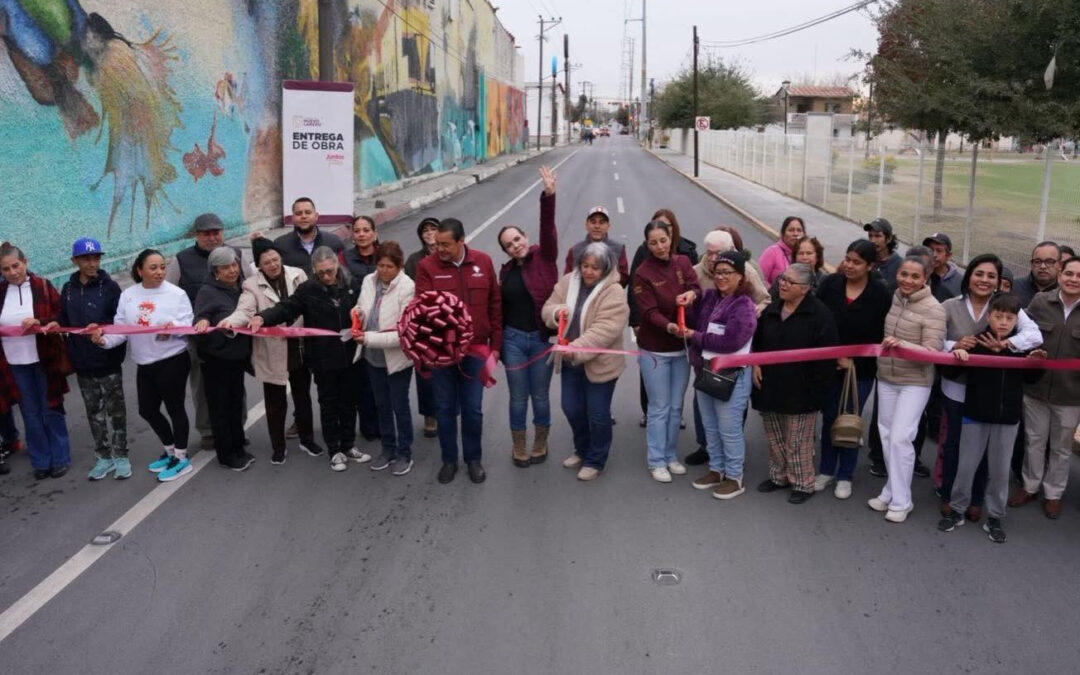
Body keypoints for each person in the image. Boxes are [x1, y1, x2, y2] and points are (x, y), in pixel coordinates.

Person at [937, 254, 1042, 519]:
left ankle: (976, 499)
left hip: (990, 393)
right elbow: (935, 342)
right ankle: (950, 495)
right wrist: (956, 347)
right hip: (956, 385)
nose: (984, 280)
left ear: (998, 282)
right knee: (955, 446)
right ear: (968, 275)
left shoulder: (1006, 307)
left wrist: (1007, 345)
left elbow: (1033, 336)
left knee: (986, 454)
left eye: (991, 276)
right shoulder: (950, 305)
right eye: (979, 273)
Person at [251, 247, 371, 472]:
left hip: (350, 356)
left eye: (330, 271)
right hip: (323, 359)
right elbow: (286, 309)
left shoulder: (352, 284)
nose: (326, 276)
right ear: (314, 270)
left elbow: (366, 308)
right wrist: (263, 317)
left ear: (337, 265)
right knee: (328, 404)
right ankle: (334, 450)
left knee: (349, 403)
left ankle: (349, 445)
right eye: (321, 272)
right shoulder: (307, 290)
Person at [92, 249, 193, 482]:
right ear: (139, 270)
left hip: (172, 360)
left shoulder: (176, 294)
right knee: (147, 410)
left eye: (162, 267)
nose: (159, 272)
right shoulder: (128, 295)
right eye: (153, 267)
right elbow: (121, 329)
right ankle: (169, 451)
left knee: (175, 408)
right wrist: (104, 340)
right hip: (144, 362)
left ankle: (181, 457)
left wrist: (174, 327)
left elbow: (189, 327)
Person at [415, 218, 502, 485]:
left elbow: (494, 305)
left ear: (462, 240)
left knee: (473, 410)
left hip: (476, 353)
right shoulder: (426, 267)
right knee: (444, 409)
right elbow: (422, 311)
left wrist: (495, 347)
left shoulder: (483, 262)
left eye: (445, 244)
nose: (439, 249)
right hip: (442, 355)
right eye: (437, 243)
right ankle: (449, 460)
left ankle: (473, 459)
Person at [221, 238, 318, 465]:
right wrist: (229, 323)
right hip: (272, 350)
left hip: (300, 347)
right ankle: (278, 447)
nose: (273, 264)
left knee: (303, 397)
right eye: (267, 262)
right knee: (274, 403)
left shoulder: (298, 275)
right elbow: (244, 311)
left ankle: (307, 439)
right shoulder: (251, 285)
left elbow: (311, 303)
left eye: (275, 259)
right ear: (259, 266)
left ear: (281, 258)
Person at [752, 263, 838, 504]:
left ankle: (802, 482)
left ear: (805, 289)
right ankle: (778, 476)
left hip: (803, 388)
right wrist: (756, 364)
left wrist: (817, 388)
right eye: (782, 278)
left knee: (797, 439)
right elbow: (758, 342)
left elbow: (827, 358)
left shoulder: (820, 314)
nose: (783, 284)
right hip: (769, 383)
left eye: (790, 282)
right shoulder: (772, 308)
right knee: (774, 434)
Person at [868, 255, 946, 523]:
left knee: (902, 438)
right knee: (888, 437)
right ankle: (891, 490)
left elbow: (932, 352)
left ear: (925, 279)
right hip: (887, 376)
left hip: (915, 382)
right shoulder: (896, 297)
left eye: (915, 276)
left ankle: (903, 501)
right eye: (904, 274)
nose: (908, 280)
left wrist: (901, 345)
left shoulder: (934, 309)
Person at [542, 242, 629, 480]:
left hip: (600, 365)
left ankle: (595, 460)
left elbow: (605, 330)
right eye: (585, 265)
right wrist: (556, 312)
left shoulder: (615, 292)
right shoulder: (568, 281)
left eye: (596, 267)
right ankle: (581, 450)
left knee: (598, 414)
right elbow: (547, 307)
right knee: (571, 408)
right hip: (570, 362)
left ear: (606, 268)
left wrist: (575, 348)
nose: (589, 271)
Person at [813, 240, 891, 499]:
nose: (849, 265)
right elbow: (817, 319)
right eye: (847, 259)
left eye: (857, 262)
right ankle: (826, 470)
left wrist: (854, 361)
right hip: (828, 366)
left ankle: (845, 475)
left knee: (850, 422)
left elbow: (882, 336)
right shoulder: (830, 284)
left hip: (862, 370)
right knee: (829, 418)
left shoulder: (880, 294)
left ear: (870, 266)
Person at [48, 238, 127, 481]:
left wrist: (102, 328)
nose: (92, 263)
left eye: (96, 258)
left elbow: (121, 320)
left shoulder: (110, 287)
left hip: (107, 359)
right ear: (75, 261)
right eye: (86, 258)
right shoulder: (68, 288)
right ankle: (103, 457)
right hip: (82, 363)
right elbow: (64, 316)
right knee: (94, 412)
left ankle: (122, 455)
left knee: (116, 412)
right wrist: (55, 323)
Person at [165, 212, 245, 451]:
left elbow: (250, 286)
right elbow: (168, 295)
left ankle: (237, 426)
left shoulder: (236, 255)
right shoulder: (181, 260)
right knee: (202, 386)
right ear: (196, 235)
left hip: (233, 336)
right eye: (206, 233)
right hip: (200, 338)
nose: (212, 237)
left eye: (216, 232)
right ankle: (208, 431)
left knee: (235, 386)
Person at [1009, 257, 1080, 519]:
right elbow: (1021, 331)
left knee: (1061, 448)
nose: (1073, 279)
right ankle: (1030, 486)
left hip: (1071, 394)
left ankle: (1054, 494)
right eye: (1069, 273)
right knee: (1034, 441)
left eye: (1079, 275)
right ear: (1060, 275)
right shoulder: (1040, 302)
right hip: (1036, 388)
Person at [497, 166, 559, 467]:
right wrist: (496, 345)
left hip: (540, 338)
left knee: (541, 396)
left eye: (517, 239)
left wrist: (549, 196)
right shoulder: (506, 271)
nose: (515, 245)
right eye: (509, 245)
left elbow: (548, 229)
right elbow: (499, 309)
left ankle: (541, 440)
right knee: (517, 397)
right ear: (506, 251)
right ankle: (518, 445)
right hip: (512, 341)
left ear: (525, 237)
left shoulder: (545, 257)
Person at [631, 219, 701, 483]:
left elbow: (695, 286)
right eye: (653, 242)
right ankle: (656, 460)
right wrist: (671, 327)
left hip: (681, 349)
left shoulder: (683, 262)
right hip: (655, 351)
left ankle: (671, 456)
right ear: (646, 245)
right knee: (658, 407)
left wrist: (691, 296)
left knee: (675, 406)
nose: (660, 246)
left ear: (671, 238)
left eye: (663, 240)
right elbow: (648, 312)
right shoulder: (643, 273)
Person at [686, 251, 757, 499]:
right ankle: (716, 469)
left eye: (728, 272)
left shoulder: (744, 305)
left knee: (729, 427)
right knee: (710, 425)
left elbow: (732, 340)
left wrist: (694, 337)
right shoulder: (710, 297)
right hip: (707, 369)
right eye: (718, 272)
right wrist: (689, 302)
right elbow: (696, 322)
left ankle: (734, 476)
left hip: (732, 375)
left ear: (740, 276)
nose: (721, 277)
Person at [0, 242, 72, 480]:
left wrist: (42, 321)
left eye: (15, 266)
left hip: (43, 359)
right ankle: (40, 461)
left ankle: (60, 458)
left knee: (50, 407)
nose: (12, 272)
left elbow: (60, 314)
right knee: (29, 412)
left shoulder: (42, 286)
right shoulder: (1, 293)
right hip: (13, 363)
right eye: (6, 269)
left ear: (25, 262)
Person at [353, 241, 416, 475]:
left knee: (399, 406)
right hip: (372, 358)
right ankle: (387, 449)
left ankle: (405, 453)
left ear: (399, 266)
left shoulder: (407, 287)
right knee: (382, 406)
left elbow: (403, 333)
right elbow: (362, 305)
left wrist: (367, 339)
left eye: (390, 266)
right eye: (380, 265)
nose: (384, 271)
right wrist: (358, 314)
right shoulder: (369, 281)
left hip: (397, 359)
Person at [192, 247, 253, 471]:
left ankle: (239, 447)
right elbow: (201, 317)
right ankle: (226, 455)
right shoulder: (207, 291)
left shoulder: (241, 288)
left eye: (234, 265)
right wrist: (204, 322)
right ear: (215, 271)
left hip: (237, 357)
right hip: (216, 359)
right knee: (220, 408)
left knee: (236, 404)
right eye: (225, 267)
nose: (232, 271)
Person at [337, 214, 381, 443]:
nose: (362, 234)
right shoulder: (344, 258)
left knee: (383, 377)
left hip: (383, 325)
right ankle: (368, 426)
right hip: (355, 326)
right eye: (357, 231)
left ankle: (385, 422)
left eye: (366, 229)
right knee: (362, 380)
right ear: (352, 235)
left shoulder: (385, 254)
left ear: (374, 233)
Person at [404, 216, 441, 438]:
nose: (429, 233)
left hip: (448, 324)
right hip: (423, 326)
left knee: (449, 371)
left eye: (433, 229)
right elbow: (409, 290)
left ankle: (448, 411)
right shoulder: (414, 260)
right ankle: (429, 415)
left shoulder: (449, 255)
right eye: (425, 230)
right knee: (425, 373)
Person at [274, 197, 346, 275]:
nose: (303, 216)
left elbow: (343, 274)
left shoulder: (334, 242)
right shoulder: (280, 245)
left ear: (316, 216)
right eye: (298, 213)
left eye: (308, 212)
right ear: (293, 218)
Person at [564, 206, 630, 286]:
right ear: (586, 225)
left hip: (608, 296)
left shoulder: (618, 249)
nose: (597, 226)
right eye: (593, 222)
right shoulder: (575, 251)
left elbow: (623, 279)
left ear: (608, 226)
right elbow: (567, 279)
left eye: (601, 223)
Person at [768, 235, 826, 300]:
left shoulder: (825, 282)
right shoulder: (782, 279)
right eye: (800, 253)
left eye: (809, 253)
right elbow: (769, 301)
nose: (804, 257)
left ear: (817, 256)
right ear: (795, 257)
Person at [758, 216, 805, 285]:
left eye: (799, 230)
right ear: (783, 234)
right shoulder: (772, 252)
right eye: (791, 230)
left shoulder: (805, 255)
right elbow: (759, 279)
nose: (795, 234)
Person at [1013, 241, 1061, 307]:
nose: (1043, 266)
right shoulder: (1014, 287)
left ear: (1060, 265)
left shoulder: (1064, 294)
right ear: (1031, 264)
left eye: (1049, 262)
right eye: (1037, 262)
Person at [865, 218, 903, 291]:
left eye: (877, 236)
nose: (872, 240)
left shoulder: (900, 265)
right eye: (870, 236)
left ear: (889, 239)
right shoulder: (866, 259)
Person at [922, 233, 962, 300]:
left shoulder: (960, 281)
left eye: (939, 251)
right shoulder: (918, 274)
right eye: (930, 250)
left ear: (948, 255)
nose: (934, 255)